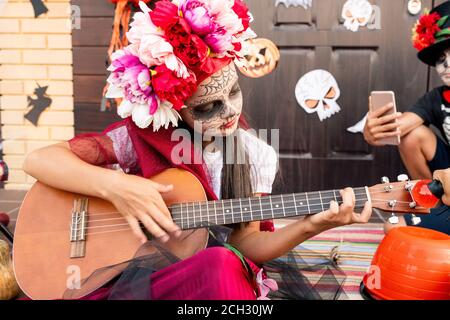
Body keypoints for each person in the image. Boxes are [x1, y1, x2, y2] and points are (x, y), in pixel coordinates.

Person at [23, 0, 372, 300]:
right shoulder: (141, 139)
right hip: (121, 280)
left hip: (194, 281)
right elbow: (38, 159)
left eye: (233, 93)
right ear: (175, 110)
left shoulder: (254, 154)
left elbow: (247, 245)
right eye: (207, 108)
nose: (229, 113)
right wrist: (120, 189)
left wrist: (312, 226)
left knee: (223, 262)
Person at [364, 1, 450, 235]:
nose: (448, 65)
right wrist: (374, 130)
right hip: (446, 180)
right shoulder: (436, 98)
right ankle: (432, 202)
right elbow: (399, 127)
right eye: (441, 58)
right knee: (412, 135)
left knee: (400, 231)